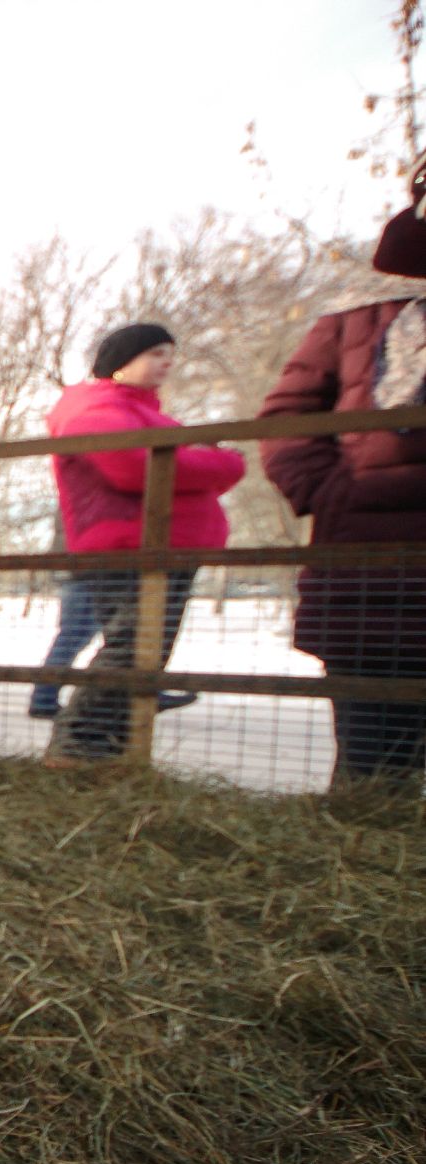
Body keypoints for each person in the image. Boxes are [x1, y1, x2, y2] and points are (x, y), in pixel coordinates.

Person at [261, 157, 426, 788]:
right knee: (371, 751)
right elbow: (286, 419)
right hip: (367, 566)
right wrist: (333, 495)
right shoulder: (358, 317)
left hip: (368, 563)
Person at [45, 324, 245, 763]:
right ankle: (77, 744)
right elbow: (132, 464)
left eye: (170, 353)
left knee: (146, 653)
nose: (167, 362)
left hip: (162, 549)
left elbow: (184, 459)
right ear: (121, 360)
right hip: (127, 547)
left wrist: (209, 460)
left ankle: (110, 749)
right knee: (132, 649)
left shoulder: (146, 413)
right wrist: (221, 462)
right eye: (155, 353)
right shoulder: (94, 408)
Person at [27, 577, 197, 719]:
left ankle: (46, 699)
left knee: (78, 637)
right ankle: (45, 700)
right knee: (75, 637)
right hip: (91, 572)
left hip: (90, 571)